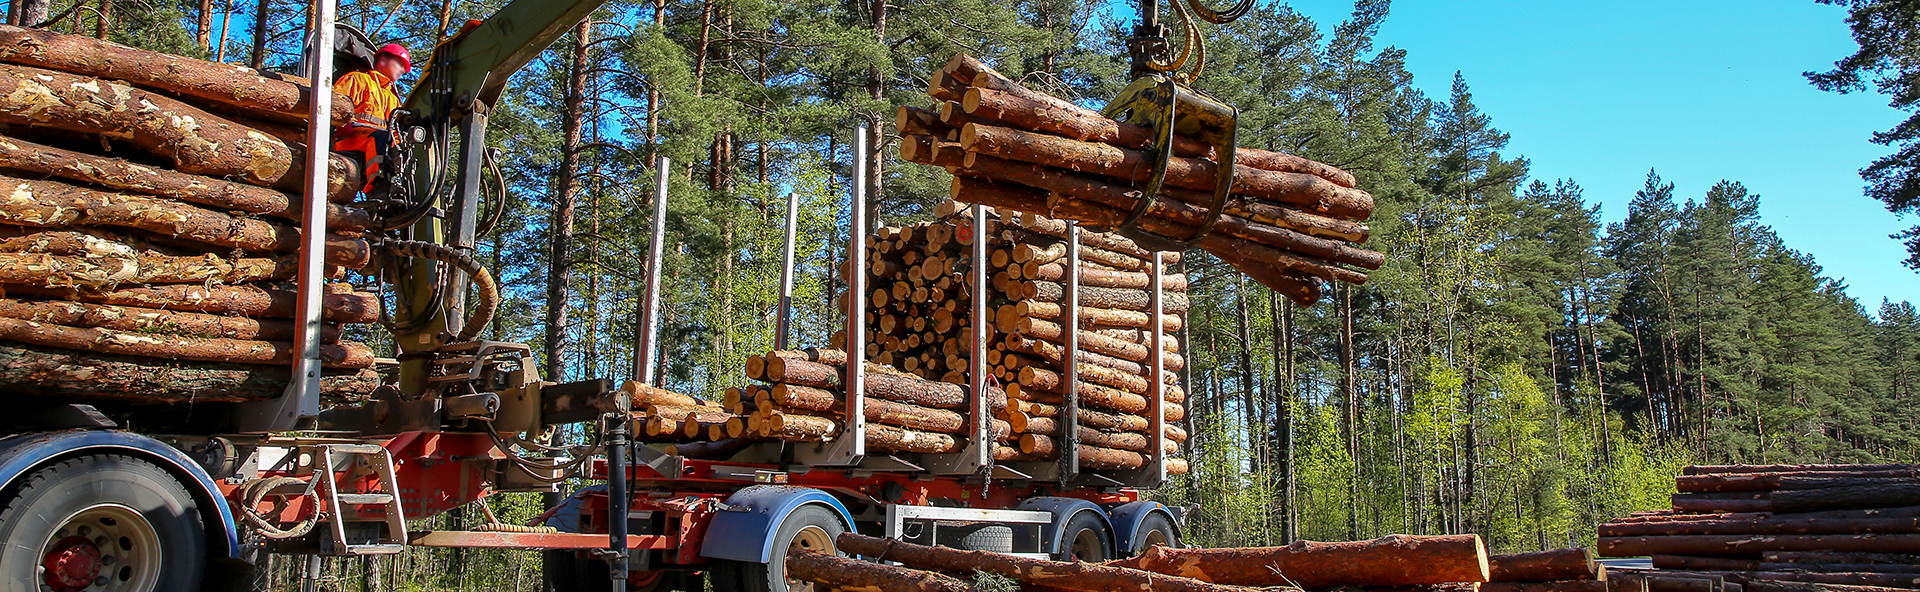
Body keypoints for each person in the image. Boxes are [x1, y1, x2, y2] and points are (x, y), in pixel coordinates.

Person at [333, 43, 410, 191]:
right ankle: (378, 186)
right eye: (400, 65)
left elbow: (394, 129)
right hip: (348, 137)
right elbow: (335, 106)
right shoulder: (356, 80)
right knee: (380, 137)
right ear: (383, 61)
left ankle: (400, 186)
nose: (401, 71)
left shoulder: (393, 98)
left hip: (380, 141)